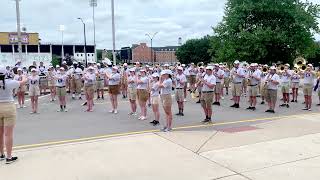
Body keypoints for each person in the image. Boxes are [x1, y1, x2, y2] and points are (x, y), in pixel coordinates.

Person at [0, 66, 26, 164]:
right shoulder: (9, 83)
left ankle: (1, 154)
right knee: (8, 134)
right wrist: (23, 76)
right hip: (8, 107)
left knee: (0, 133)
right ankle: (9, 157)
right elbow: (23, 82)